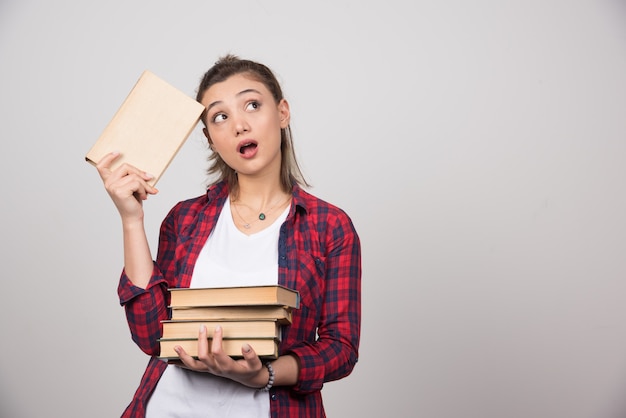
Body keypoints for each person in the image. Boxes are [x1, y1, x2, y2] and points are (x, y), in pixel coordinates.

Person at [95, 54, 362, 418]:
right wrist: (131, 220)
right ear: (210, 138)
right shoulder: (183, 220)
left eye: (252, 105)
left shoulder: (329, 226)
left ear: (282, 112)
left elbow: (341, 349)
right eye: (220, 116)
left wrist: (265, 375)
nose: (239, 125)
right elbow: (150, 336)